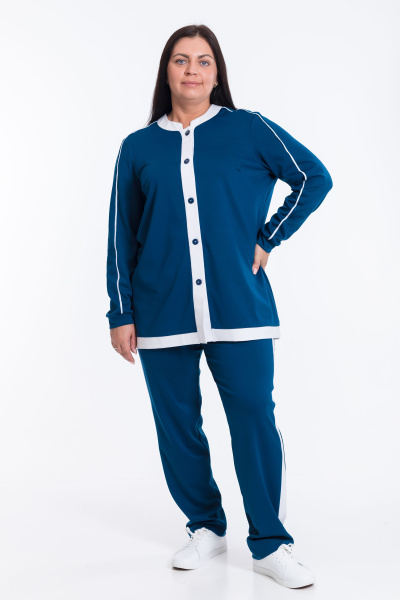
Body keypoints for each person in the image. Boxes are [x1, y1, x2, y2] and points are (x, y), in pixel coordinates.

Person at [105, 24, 333, 589]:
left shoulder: (249, 129)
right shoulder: (137, 147)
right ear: (166, 71)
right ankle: (205, 525)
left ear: (217, 72)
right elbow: (121, 233)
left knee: (254, 417)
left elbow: (314, 178)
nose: (192, 70)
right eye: (181, 60)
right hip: (161, 310)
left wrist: (269, 236)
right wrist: (120, 312)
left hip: (240, 306)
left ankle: (270, 542)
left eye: (203, 61)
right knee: (177, 425)